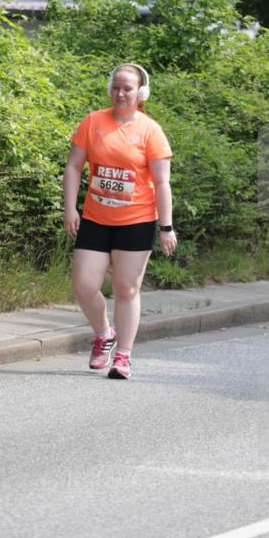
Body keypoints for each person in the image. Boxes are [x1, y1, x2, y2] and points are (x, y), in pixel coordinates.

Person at [63, 63, 176, 380]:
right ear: (109, 89)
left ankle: (123, 356)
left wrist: (166, 227)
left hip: (137, 220)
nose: (121, 93)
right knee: (84, 285)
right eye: (116, 87)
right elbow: (74, 166)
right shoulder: (93, 122)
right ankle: (104, 334)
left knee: (126, 289)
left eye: (128, 88)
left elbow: (162, 183)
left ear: (141, 93)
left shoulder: (150, 130)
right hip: (96, 218)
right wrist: (70, 208)